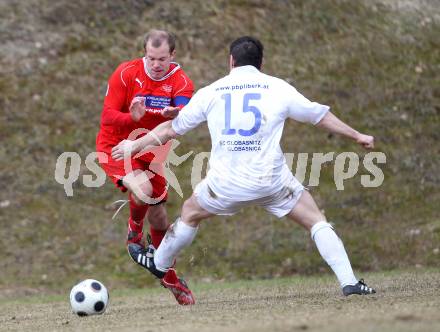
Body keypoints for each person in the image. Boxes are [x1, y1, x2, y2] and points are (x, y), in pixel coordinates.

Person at [111, 36, 377, 297]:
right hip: (271, 181)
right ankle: (349, 282)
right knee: (316, 220)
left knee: (190, 214)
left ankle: (159, 263)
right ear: (261, 63)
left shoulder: (212, 91)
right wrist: (357, 135)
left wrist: (134, 146)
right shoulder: (277, 88)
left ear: (231, 61)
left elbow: (171, 128)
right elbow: (319, 116)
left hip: (224, 185)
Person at [96, 29, 196, 305]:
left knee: (162, 219)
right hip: (116, 146)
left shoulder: (181, 82)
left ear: (172, 55)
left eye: (161, 58)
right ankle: (134, 234)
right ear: (145, 53)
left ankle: (170, 276)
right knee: (144, 189)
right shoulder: (126, 73)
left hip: (150, 153)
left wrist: (176, 115)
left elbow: (181, 115)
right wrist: (132, 117)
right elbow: (107, 116)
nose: (155, 64)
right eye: (151, 58)